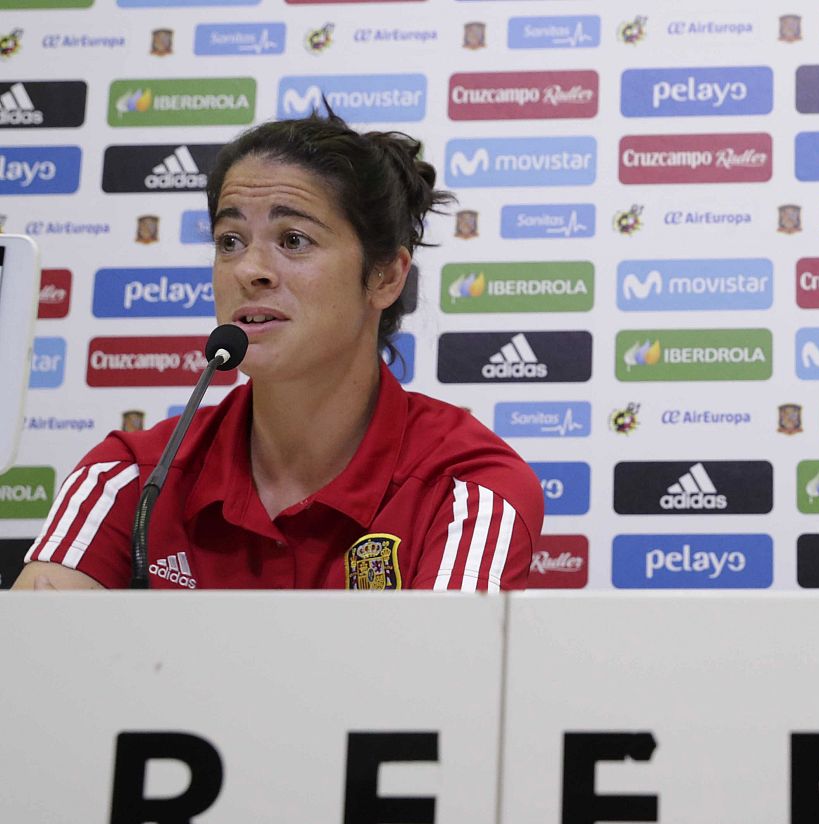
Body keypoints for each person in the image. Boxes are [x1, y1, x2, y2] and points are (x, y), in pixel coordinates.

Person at [15, 113, 544, 590]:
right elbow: (29, 677)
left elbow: (440, 691)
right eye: (230, 241)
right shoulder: (130, 477)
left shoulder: (466, 491)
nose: (250, 270)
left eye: (293, 240)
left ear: (384, 276)